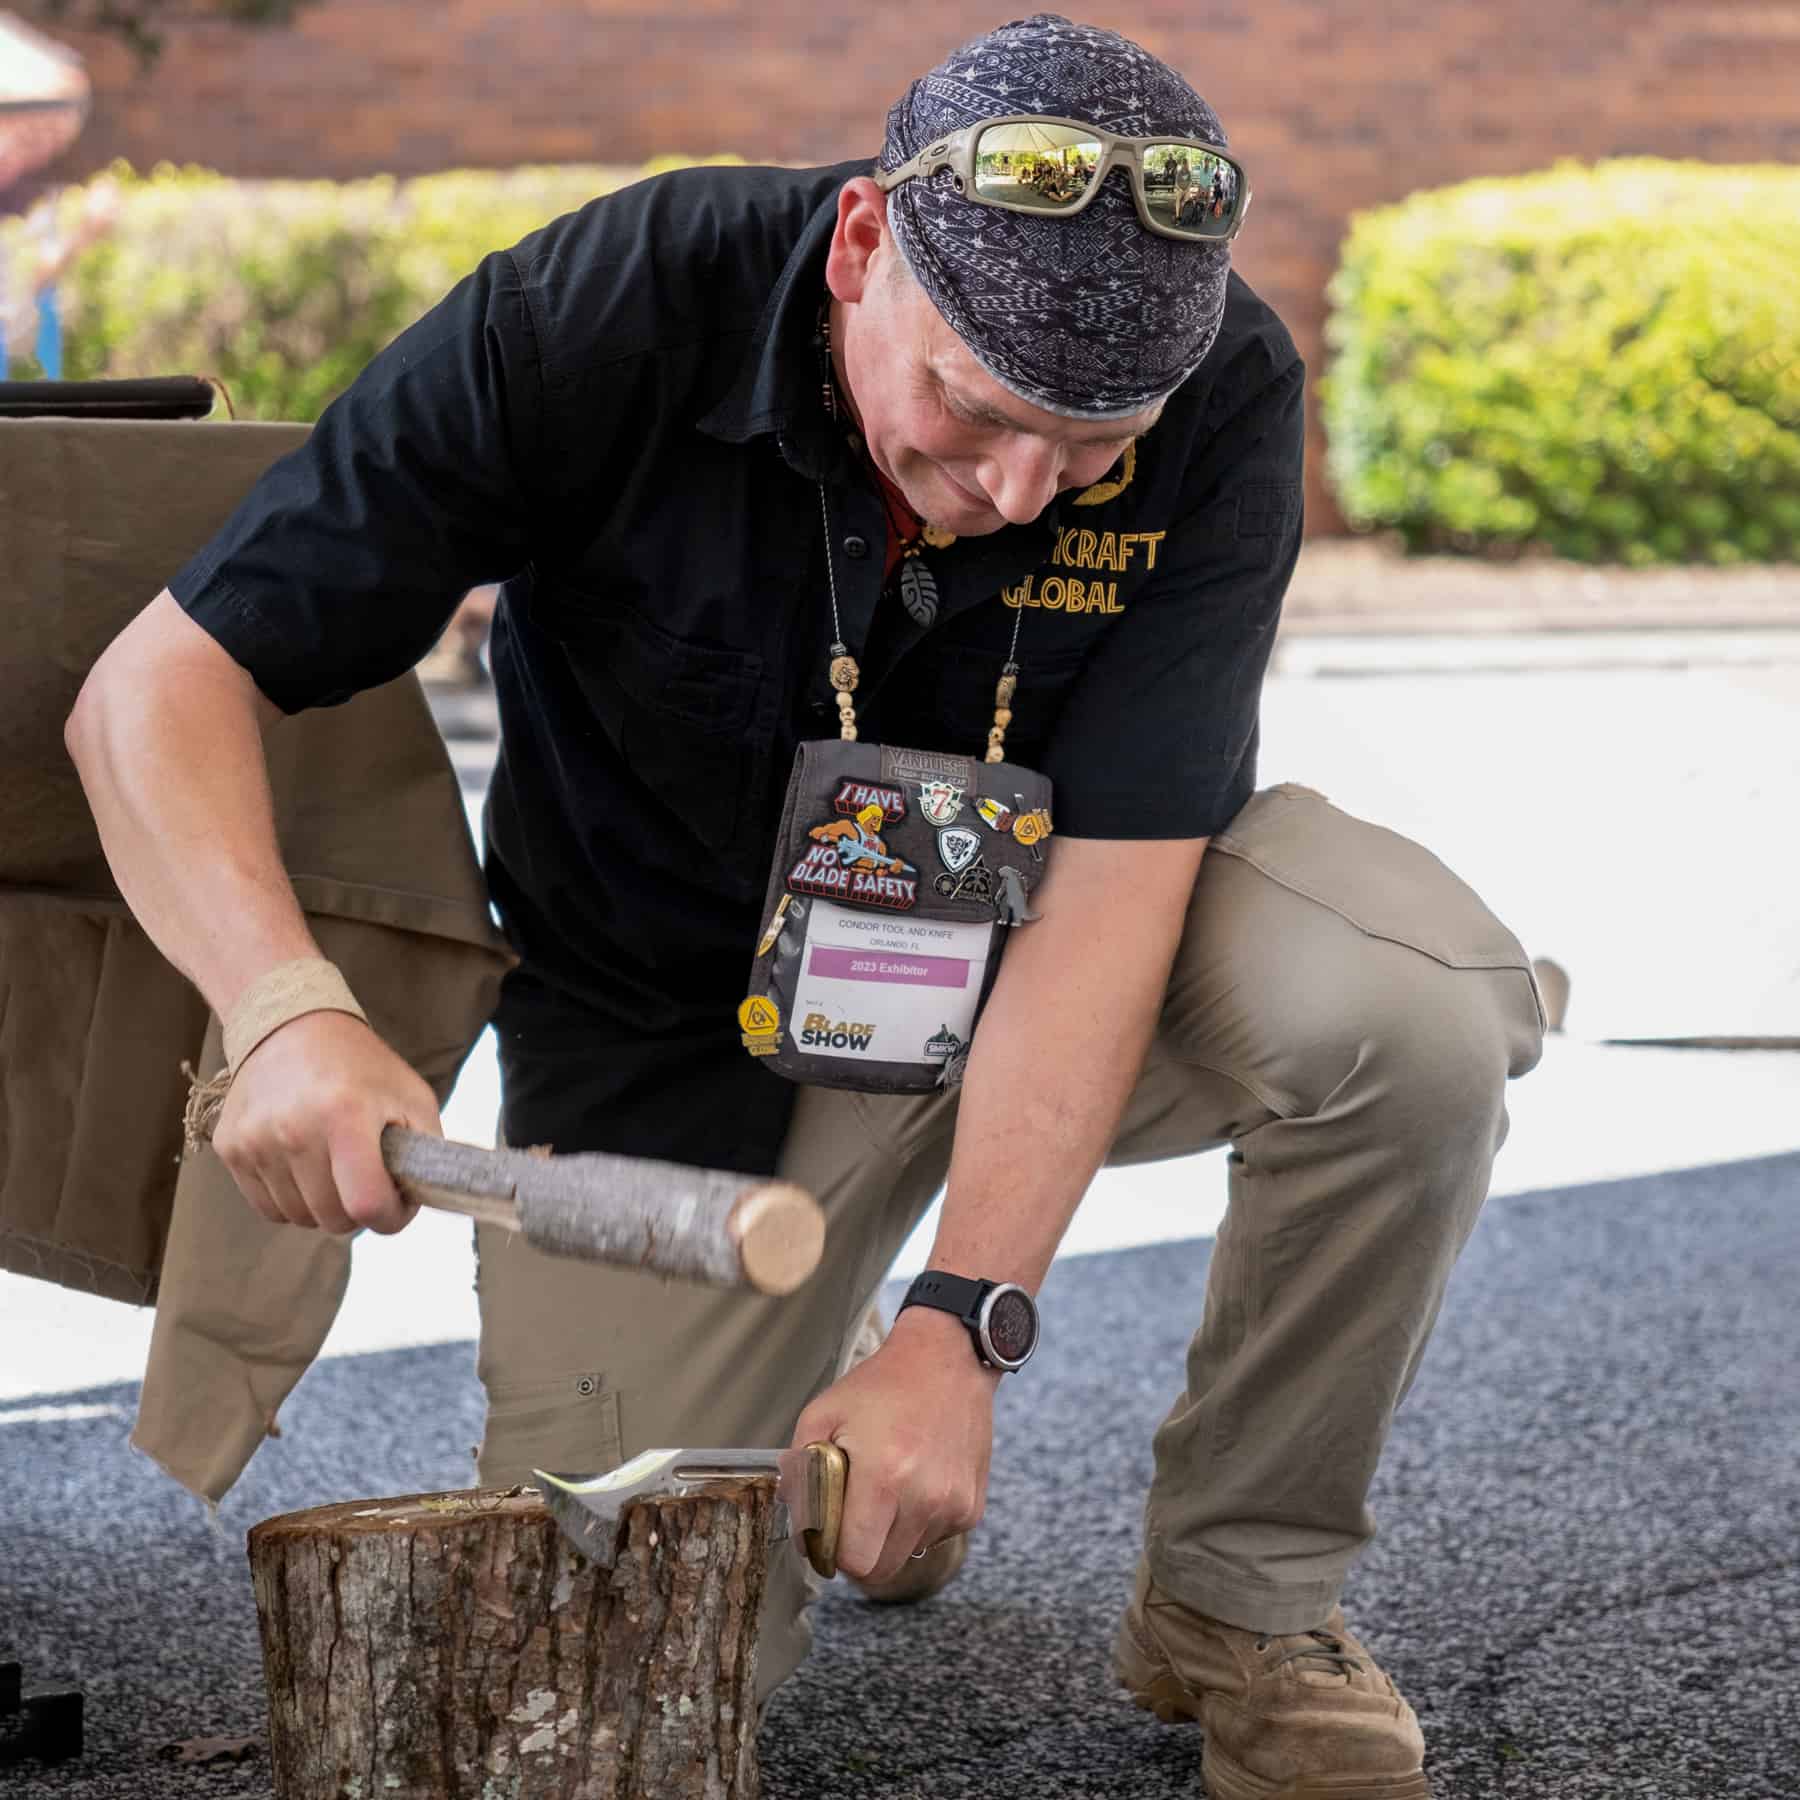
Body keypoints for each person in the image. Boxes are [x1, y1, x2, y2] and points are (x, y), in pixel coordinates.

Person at [65, 14, 1543, 1797]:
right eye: (977, 409)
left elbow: (1117, 893)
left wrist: (962, 1327)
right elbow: (149, 690)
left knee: (1412, 1011)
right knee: (600, 1681)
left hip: (1045, 969)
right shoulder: (602, 309)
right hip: (677, 1047)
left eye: (1088, 450)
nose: (1015, 491)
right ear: (861, 250)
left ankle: (1238, 1601)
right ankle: (810, 1374)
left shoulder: (1225, 381)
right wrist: (285, 1007)